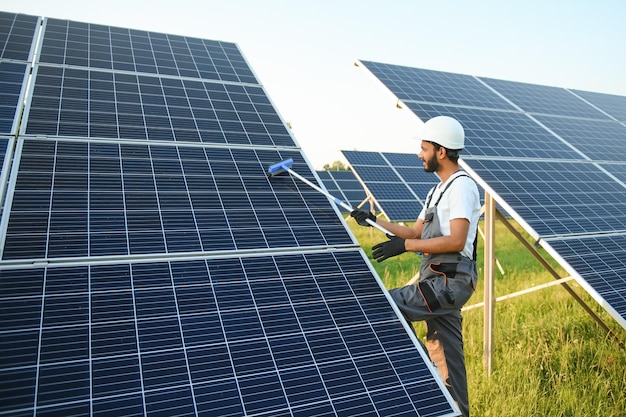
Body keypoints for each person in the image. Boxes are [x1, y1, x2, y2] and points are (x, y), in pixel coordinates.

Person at [351, 115, 480, 417]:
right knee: (448, 360)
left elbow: (457, 240)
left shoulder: (461, 187)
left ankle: (420, 380)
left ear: (441, 151)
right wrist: (372, 219)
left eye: (424, 148)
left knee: (387, 306)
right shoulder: (437, 191)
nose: (419, 154)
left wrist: (406, 247)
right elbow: (415, 232)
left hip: (449, 282)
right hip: (438, 281)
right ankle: (455, 409)